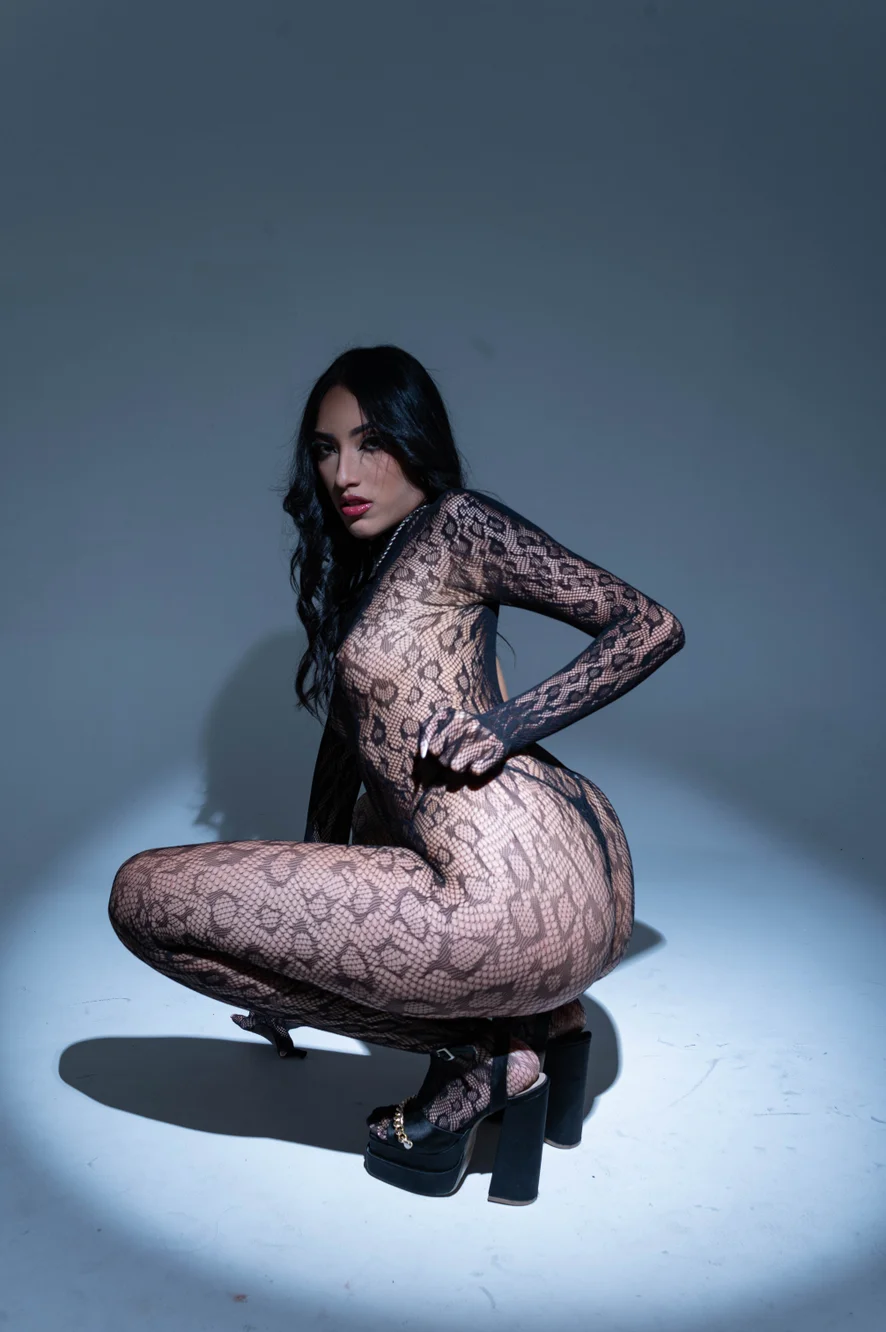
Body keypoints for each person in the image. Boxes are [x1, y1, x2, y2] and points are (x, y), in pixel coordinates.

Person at [108, 344, 685, 1204]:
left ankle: (488, 1057)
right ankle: (546, 1024)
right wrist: (288, 949)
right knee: (379, 815)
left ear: (417, 441)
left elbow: (648, 625)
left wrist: (504, 725)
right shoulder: (378, 570)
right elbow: (344, 765)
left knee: (140, 899)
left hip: (515, 895)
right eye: (326, 448)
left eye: (372, 442)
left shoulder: (458, 524)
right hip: (579, 873)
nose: (345, 472)